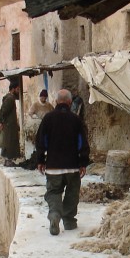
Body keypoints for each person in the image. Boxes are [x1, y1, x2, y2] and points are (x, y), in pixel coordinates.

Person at [35, 88, 90, 235]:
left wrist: (40, 160)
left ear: (56, 101)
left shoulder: (48, 118)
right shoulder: (76, 119)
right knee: (72, 193)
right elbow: (82, 143)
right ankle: (69, 221)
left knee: (53, 192)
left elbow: (41, 141)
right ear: (70, 102)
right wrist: (83, 163)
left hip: (53, 167)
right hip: (72, 167)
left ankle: (54, 215)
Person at [0, 83, 22, 164]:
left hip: (10, 124)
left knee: (10, 141)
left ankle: (10, 160)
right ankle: (8, 160)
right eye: (17, 89)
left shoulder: (10, 98)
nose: (18, 91)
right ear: (13, 89)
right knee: (9, 142)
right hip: (9, 125)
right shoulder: (10, 98)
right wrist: (1, 121)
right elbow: (3, 111)